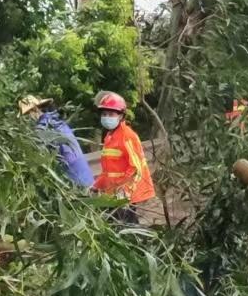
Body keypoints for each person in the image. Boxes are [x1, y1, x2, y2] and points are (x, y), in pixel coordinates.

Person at [92, 90, 156, 223]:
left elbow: (136, 169)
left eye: (111, 114)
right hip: (113, 194)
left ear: (121, 116)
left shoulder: (127, 136)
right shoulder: (110, 137)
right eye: (104, 114)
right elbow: (108, 172)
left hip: (125, 194)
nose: (106, 117)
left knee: (127, 227)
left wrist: (125, 192)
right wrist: (96, 186)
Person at [19, 96, 94, 190]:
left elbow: (40, 150)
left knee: (81, 197)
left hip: (70, 169)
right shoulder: (56, 120)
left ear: (34, 110)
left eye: (27, 114)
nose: (27, 118)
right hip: (79, 164)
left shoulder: (43, 126)